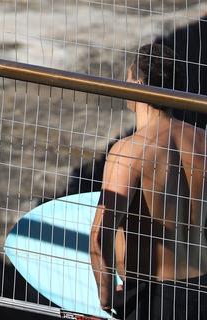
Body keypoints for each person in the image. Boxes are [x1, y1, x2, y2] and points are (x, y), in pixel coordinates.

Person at [90, 42, 207, 319]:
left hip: (152, 296)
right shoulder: (204, 143)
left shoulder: (129, 151)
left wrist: (105, 299)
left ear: (139, 82)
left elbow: (99, 235)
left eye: (129, 75)